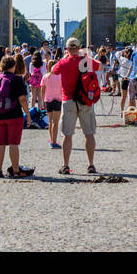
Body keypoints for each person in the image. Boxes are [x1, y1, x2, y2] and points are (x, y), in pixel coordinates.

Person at [52, 38, 99, 175]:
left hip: (69, 100)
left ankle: (65, 165)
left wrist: (65, 58)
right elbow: (101, 66)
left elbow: (54, 70)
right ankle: (90, 164)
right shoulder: (86, 61)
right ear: (79, 48)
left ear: (67, 49)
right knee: (89, 134)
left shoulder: (63, 62)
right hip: (85, 100)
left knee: (67, 134)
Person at [0, 55, 33, 178]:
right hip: (14, 115)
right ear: (13, 66)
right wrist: (28, 114)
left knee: (0, 143)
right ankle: (15, 170)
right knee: (14, 143)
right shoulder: (17, 80)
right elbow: (23, 99)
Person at [42, 59, 64, 149]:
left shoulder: (45, 76)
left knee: (50, 122)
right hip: (57, 99)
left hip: (48, 100)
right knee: (55, 122)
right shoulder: (60, 76)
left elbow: (42, 89)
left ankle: (52, 140)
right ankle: (54, 142)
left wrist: (43, 100)